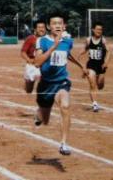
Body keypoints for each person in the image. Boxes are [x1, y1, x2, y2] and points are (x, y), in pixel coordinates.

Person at [34, 13, 86, 156]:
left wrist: (81, 66)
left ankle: (63, 143)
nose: (57, 26)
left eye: (60, 23)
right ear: (49, 26)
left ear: (64, 26)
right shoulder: (42, 41)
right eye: (54, 23)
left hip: (62, 82)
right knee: (45, 120)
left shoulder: (68, 41)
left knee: (65, 106)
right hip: (46, 84)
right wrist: (53, 47)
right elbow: (37, 62)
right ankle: (39, 113)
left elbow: (68, 55)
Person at [79, 22, 111, 112]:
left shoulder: (103, 40)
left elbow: (109, 52)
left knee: (100, 86)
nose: (99, 31)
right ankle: (95, 104)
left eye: (100, 29)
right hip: (91, 65)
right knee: (92, 85)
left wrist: (106, 62)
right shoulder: (88, 40)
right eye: (97, 29)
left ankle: (99, 81)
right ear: (93, 30)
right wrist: (80, 55)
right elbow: (85, 49)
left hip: (101, 66)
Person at [21, 20, 46, 93]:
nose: (41, 29)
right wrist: (28, 60)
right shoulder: (30, 39)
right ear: (35, 29)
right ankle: (27, 83)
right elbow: (23, 52)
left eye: (43, 27)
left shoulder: (48, 39)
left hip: (44, 66)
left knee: (44, 84)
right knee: (29, 89)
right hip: (32, 66)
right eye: (39, 27)